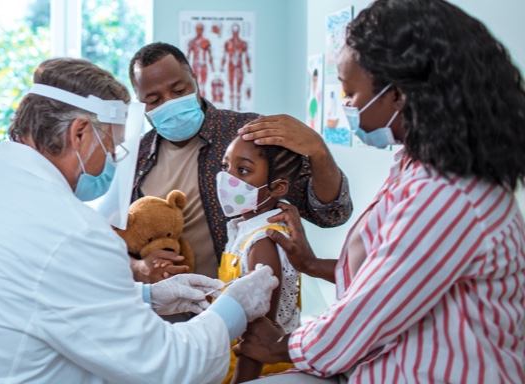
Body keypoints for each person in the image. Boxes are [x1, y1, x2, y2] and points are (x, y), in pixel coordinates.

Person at [0, 58, 283, 383]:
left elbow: (25, 298)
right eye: (111, 145)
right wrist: (234, 307)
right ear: (79, 134)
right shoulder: (71, 230)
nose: (113, 160)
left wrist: (147, 297)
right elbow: (166, 366)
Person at [234, 1, 525, 382]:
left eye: (350, 93)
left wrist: (281, 346)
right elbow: (396, 272)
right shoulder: (416, 167)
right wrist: (312, 265)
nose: (347, 105)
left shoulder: (449, 196)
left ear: (398, 95)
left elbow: (371, 310)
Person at [127, 42, 352, 286]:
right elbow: (113, 238)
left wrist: (318, 151)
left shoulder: (249, 136)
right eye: (154, 100)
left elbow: (331, 214)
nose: (169, 103)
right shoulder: (134, 157)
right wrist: (137, 267)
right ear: (140, 104)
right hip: (164, 309)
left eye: (179, 90)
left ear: (195, 80)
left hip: (242, 310)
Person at [216, 137, 305, 383]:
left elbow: (259, 336)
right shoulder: (243, 228)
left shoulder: (263, 242)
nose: (228, 178)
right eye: (226, 167)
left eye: (242, 170)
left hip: (256, 372)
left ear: (277, 187)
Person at [221, 23, 251, 111]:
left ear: (238, 31)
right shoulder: (228, 43)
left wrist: (248, 67)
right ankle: (231, 106)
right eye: (233, 30)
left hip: (239, 65)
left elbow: (246, 55)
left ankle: (237, 107)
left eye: (236, 30)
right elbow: (224, 55)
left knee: (238, 86)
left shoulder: (243, 43)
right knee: (231, 86)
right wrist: (222, 65)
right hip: (231, 66)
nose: (235, 32)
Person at [187, 22, 214, 98]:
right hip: (195, 63)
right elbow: (188, 55)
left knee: (203, 83)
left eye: (201, 29)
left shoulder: (206, 41)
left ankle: (203, 98)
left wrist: (212, 67)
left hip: (203, 63)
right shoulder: (192, 42)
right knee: (196, 82)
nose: (199, 31)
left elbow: (209, 54)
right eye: (198, 29)